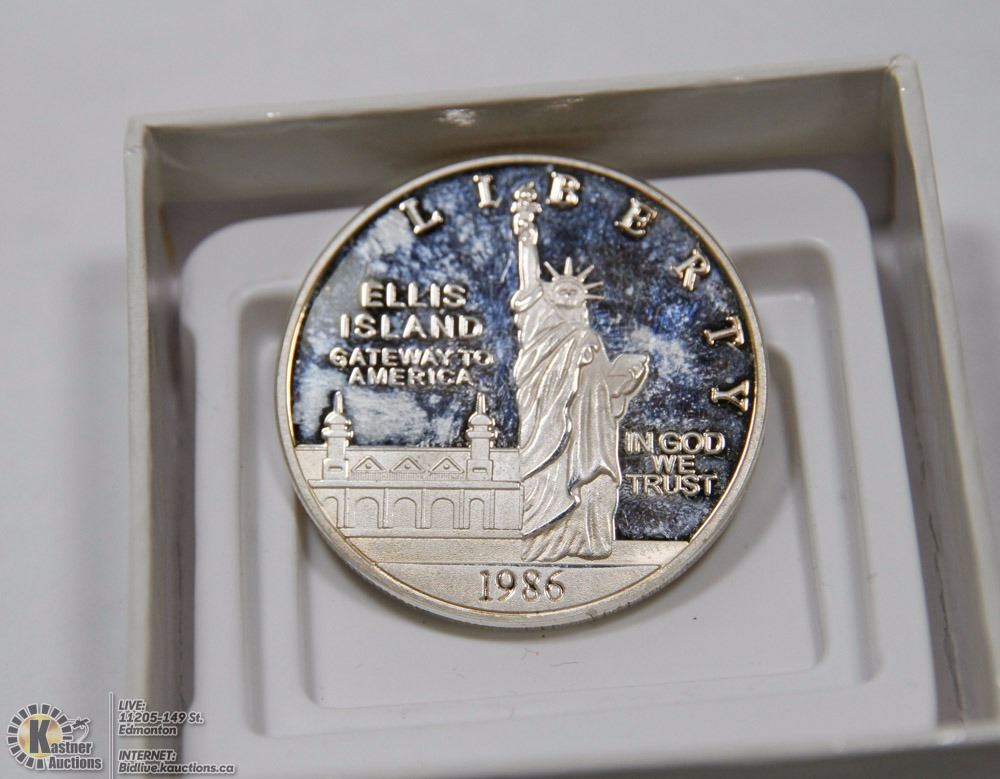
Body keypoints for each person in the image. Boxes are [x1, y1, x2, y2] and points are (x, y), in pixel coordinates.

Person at [509, 182, 648, 562]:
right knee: (546, 475)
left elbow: (605, 392)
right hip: (546, 419)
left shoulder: (590, 338)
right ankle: (544, 542)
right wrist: (526, 236)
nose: (568, 292)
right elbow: (528, 280)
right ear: (550, 294)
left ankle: (590, 541)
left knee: (595, 479)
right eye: (561, 288)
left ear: (584, 299)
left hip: (591, 429)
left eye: (576, 290)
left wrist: (624, 379)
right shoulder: (540, 321)